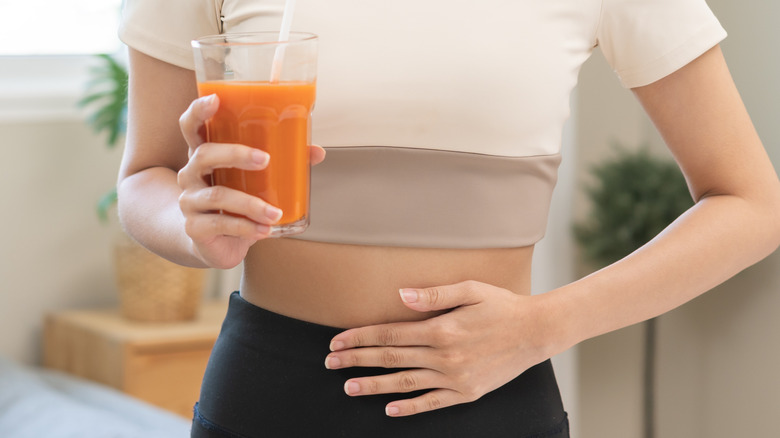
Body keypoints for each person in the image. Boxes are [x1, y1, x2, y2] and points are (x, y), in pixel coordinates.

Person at [117, 0, 780, 437]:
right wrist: (193, 228)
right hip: (269, 397)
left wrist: (547, 324)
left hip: (490, 398)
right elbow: (143, 175)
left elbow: (752, 203)